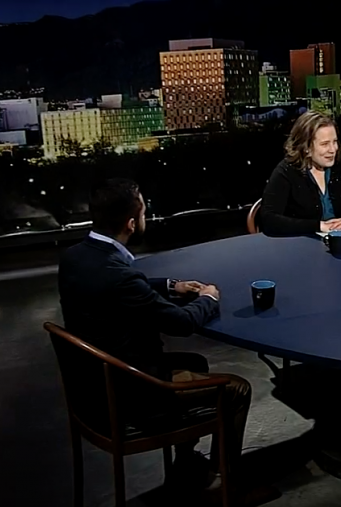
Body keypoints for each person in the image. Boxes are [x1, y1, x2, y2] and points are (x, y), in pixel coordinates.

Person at [57, 178, 251, 491]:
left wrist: (171, 285)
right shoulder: (121, 276)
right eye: (144, 211)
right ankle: (221, 484)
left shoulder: (75, 258)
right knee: (237, 390)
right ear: (131, 223)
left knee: (194, 362)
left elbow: (119, 287)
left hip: (90, 385)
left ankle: (186, 461)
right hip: (128, 393)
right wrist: (209, 298)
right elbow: (181, 323)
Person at [259, 110, 341, 236]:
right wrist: (319, 226)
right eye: (325, 144)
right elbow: (269, 221)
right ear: (306, 148)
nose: (333, 149)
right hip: (300, 245)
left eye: (335, 142)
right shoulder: (286, 171)